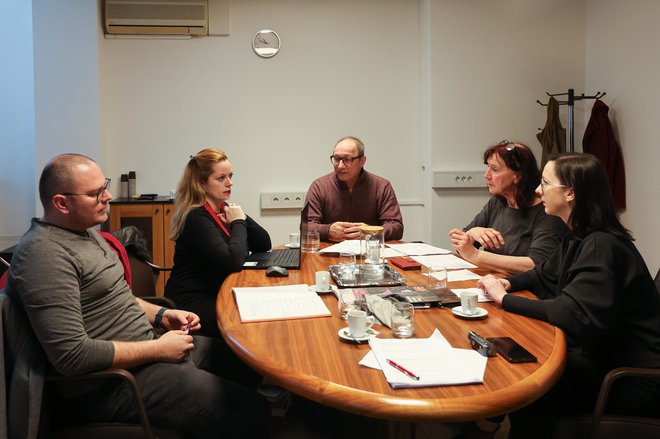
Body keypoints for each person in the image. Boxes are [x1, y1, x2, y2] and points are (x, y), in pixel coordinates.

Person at [5, 154, 268, 438]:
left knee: (246, 363)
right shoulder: (44, 254)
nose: (108, 196)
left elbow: (120, 298)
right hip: (111, 384)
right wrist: (158, 350)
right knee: (252, 410)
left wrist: (162, 314)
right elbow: (72, 356)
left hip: (147, 350)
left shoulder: (87, 234)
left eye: (103, 186)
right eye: (95, 193)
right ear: (61, 203)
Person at [477, 153, 660, 438]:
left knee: (529, 382)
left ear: (570, 193)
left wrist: (504, 300)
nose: (538, 190)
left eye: (546, 183)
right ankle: (483, 428)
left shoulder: (601, 245)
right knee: (522, 364)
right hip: (601, 357)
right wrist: (507, 285)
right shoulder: (579, 235)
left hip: (628, 378)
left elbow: (570, 313)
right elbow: (543, 273)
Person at [165, 148, 271, 339]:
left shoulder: (222, 210)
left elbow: (263, 243)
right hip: (192, 301)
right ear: (202, 184)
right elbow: (232, 261)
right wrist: (238, 222)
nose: (229, 183)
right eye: (221, 178)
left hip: (216, 290)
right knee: (248, 324)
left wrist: (241, 217)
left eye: (230, 176)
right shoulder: (196, 216)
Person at [448, 140, 567, 274]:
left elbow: (536, 264)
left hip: (526, 290)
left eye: (495, 169)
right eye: (488, 167)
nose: (486, 175)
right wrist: (472, 233)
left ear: (518, 176)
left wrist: (476, 256)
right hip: (493, 283)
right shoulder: (498, 202)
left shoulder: (548, 211)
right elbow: (462, 247)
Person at [304, 136, 404, 242]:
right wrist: (327, 230)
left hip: (369, 252)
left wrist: (370, 231)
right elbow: (306, 226)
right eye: (337, 159)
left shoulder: (381, 186)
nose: (340, 166)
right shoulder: (319, 186)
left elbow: (396, 227)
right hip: (330, 252)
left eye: (347, 159)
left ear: (362, 161)